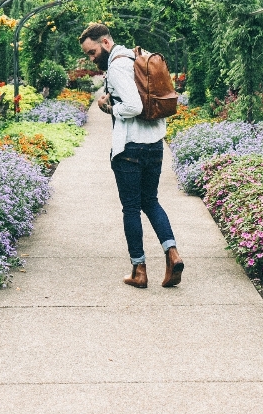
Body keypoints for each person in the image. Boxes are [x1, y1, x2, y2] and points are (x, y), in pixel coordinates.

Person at [78, 22, 184, 288]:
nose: (92, 59)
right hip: (154, 144)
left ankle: (139, 270)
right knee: (151, 201)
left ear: (104, 43)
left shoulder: (116, 67)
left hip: (130, 149)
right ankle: (172, 253)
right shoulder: (137, 55)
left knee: (131, 209)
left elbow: (134, 107)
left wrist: (110, 109)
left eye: (92, 53)